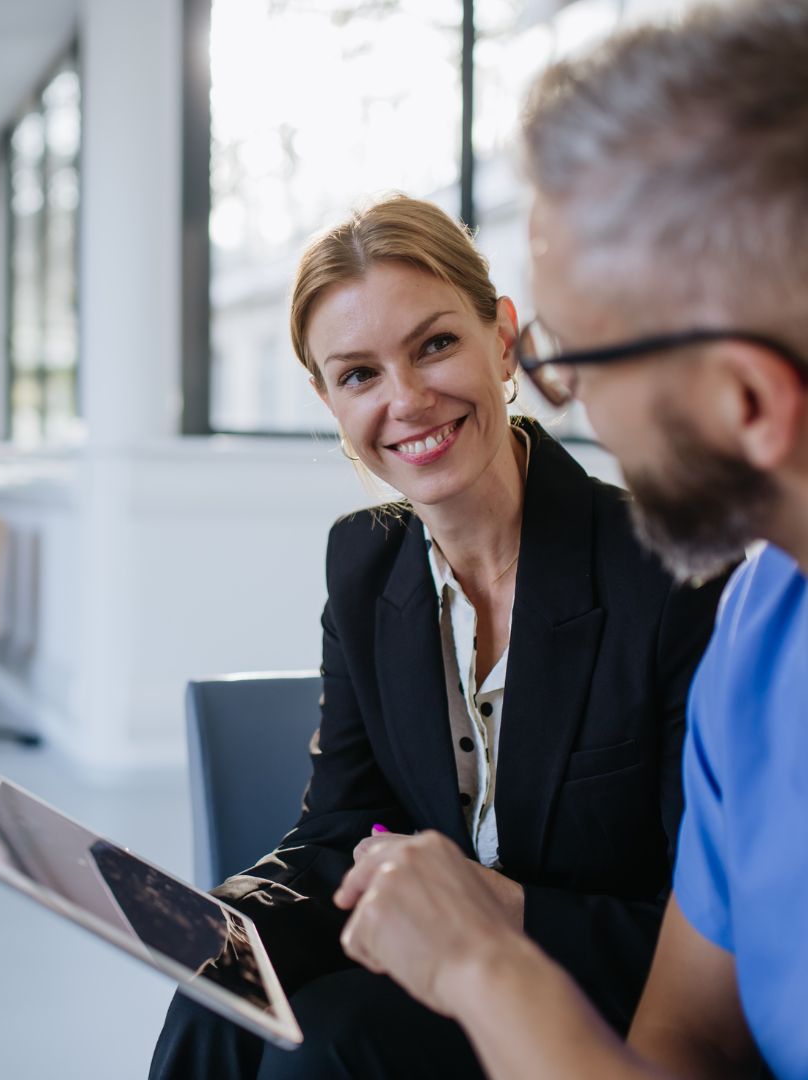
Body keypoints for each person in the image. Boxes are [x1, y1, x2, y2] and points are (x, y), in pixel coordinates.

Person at [333, 3, 808, 1078]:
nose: (569, 400)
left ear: (745, 401)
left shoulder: (685, 593)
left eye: (575, 357)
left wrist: (483, 965)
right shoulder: (759, 623)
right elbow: (687, 1038)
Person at [150, 195, 726, 1079]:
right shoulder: (365, 563)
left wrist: (500, 908)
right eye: (359, 375)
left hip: (616, 1004)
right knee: (221, 992)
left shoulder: (670, 574)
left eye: (435, 345)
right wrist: (222, 922)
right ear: (327, 399)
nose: (408, 401)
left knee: (330, 1041)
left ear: (501, 338)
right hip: (433, 970)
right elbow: (346, 822)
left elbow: (710, 926)